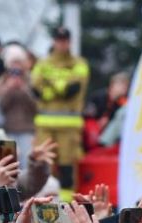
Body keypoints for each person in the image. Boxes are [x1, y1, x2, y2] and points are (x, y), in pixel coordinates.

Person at [31, 26, 90, 197]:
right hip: (44, 125)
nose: (61, 44)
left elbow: (73, 89)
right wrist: (58, 88)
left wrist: (52, 87)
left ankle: (66, 203)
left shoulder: (79, 63)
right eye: (58, 40)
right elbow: (36, 89)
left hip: (69, 126)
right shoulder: (43, 63)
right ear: (54, 41)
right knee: (43, 164)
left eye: (64, 40)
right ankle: (43, 200)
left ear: (69, 42)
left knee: (67, 167)